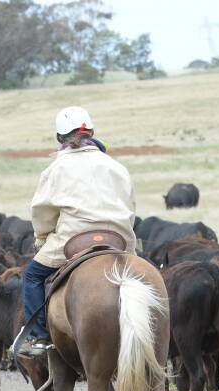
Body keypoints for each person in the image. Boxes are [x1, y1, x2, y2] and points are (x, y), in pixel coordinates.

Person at [16, 106, 138, 359]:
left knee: (32, 277)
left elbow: (42, 212)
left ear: (60, 138)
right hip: (118, 240)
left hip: (73, 240)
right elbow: (130, 207)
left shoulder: (56, 169)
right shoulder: (116, 167)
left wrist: (42, 237)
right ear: (91, 132)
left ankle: (39, 337)